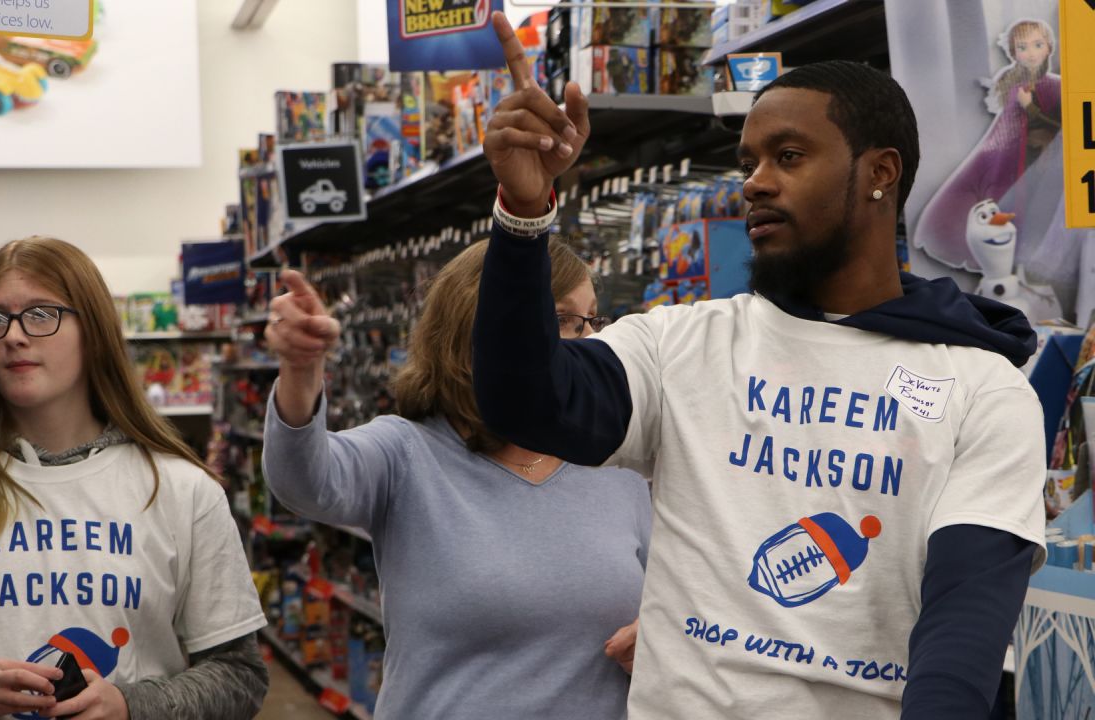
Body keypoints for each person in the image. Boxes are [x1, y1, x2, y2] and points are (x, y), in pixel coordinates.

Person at [472, 12, 1045, 720]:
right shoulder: (682, 344)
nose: (754, 184)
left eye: (790, 156)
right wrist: (525, 212)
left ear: (880, 173)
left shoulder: (983, 389)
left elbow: (963, 633)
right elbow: (524, 403)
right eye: (748, 164)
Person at [0, 237, 269, 720]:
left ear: (94, 330)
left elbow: (239, 675)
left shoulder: (183, 490)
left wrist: (131, 707)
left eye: (41, 313)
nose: (14, 335)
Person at [262, 239, 651, 720]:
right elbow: (303, 481)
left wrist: (661, 633)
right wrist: (301, 373)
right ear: (483, 328)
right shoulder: (405, 453)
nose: (587, 342)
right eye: (563, 319)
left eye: (592, 320)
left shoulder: (618, 465)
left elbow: (678, 595)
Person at [911, 18, 1061, 271]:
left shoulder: (1056, 86)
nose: (1031, 53)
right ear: (1013, 52)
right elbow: (1007, 122)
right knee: (989, 203)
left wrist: (1030, 108)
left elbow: (1062, 124)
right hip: (1003, 153)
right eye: (1022, 47)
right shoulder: (1012, 80)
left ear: (1048, 46)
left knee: (1022, 208)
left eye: (1037, 45)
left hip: (1038, 159)